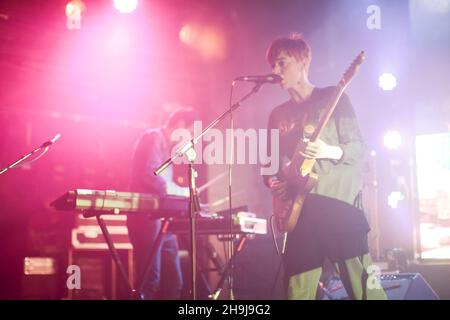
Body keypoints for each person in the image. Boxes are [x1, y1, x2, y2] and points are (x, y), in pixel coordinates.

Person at [263, 34, 387, 300]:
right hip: (300, 215)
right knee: (297, 291)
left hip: (339, 207)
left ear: (303, 61)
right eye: (273, 64)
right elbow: (269, 166)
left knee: (366, 290)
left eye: (282, 63)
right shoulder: (277, 115)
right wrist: (275, 182)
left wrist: (328, 150)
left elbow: (358, 148)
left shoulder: (334, 96)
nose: (275, 71)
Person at [127, 108, 198, 300]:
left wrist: (181, 191)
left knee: (174, 282)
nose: (189, 138)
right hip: (146, 218)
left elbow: (163, 184)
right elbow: (151, 175)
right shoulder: (153, 137)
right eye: (190, 132)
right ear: (181, 124)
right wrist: (182, 192)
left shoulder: (168, 148)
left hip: (161, 220)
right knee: (149, 281)